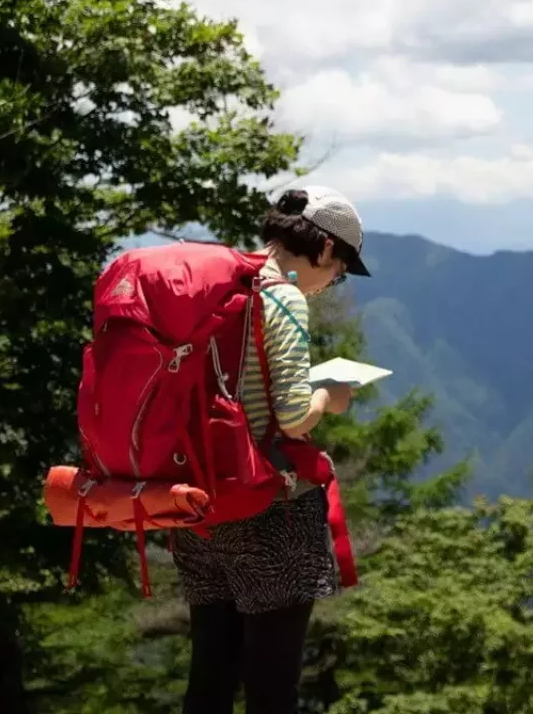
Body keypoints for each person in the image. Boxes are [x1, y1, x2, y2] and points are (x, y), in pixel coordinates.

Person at [174, 185, 371, 714]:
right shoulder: (280, 295)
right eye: (341, 271)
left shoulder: (218, 286)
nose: (333, 284)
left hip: (198, 508)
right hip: (268, 511)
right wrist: (330, 397)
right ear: (327, 249)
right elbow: (290, 416)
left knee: (209, 677)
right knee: (271, 687)